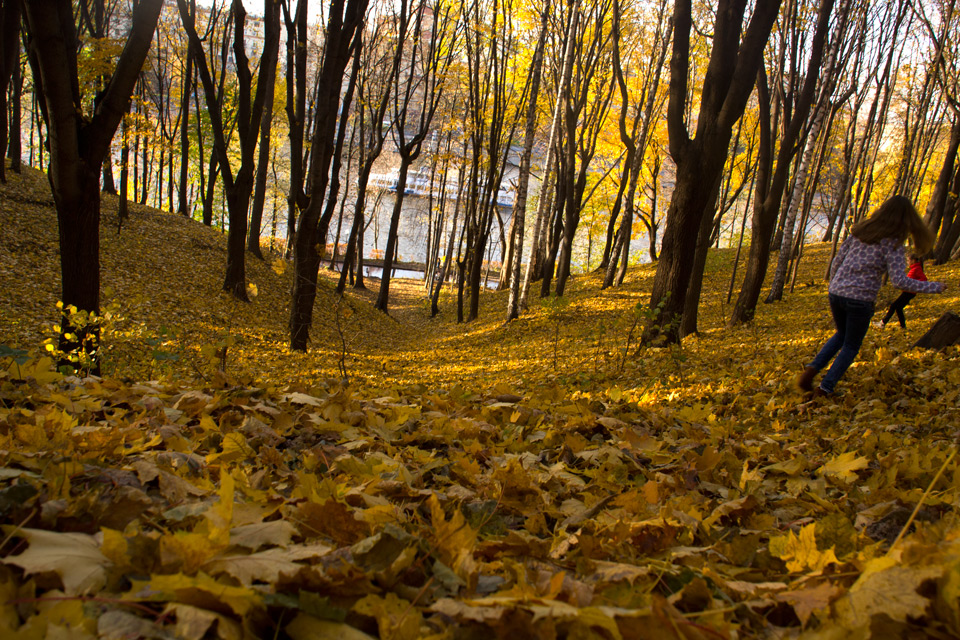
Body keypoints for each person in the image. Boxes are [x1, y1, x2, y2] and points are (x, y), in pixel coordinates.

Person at [797, 195, 947, 396]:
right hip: (861, 299)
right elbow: (899, 281)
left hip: (837, 293)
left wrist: (835, 285)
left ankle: (810, 371)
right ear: (906, 220)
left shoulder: (859, 233)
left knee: (841, 335)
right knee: (851, 345)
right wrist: (933, 287)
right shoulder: (892, 244)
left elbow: (836, 262)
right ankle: (826, 388)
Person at [878, 253, 927, 329]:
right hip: (908, 292)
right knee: (898, 308)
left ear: (913, 260)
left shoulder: (917, 269)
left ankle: (883, 323)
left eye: (908, 260)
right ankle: (903, 326)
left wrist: (913, 285)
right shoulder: (914, 268)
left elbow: (924, 279)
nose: (907, 262)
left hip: (909, 292)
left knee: (894, 305)